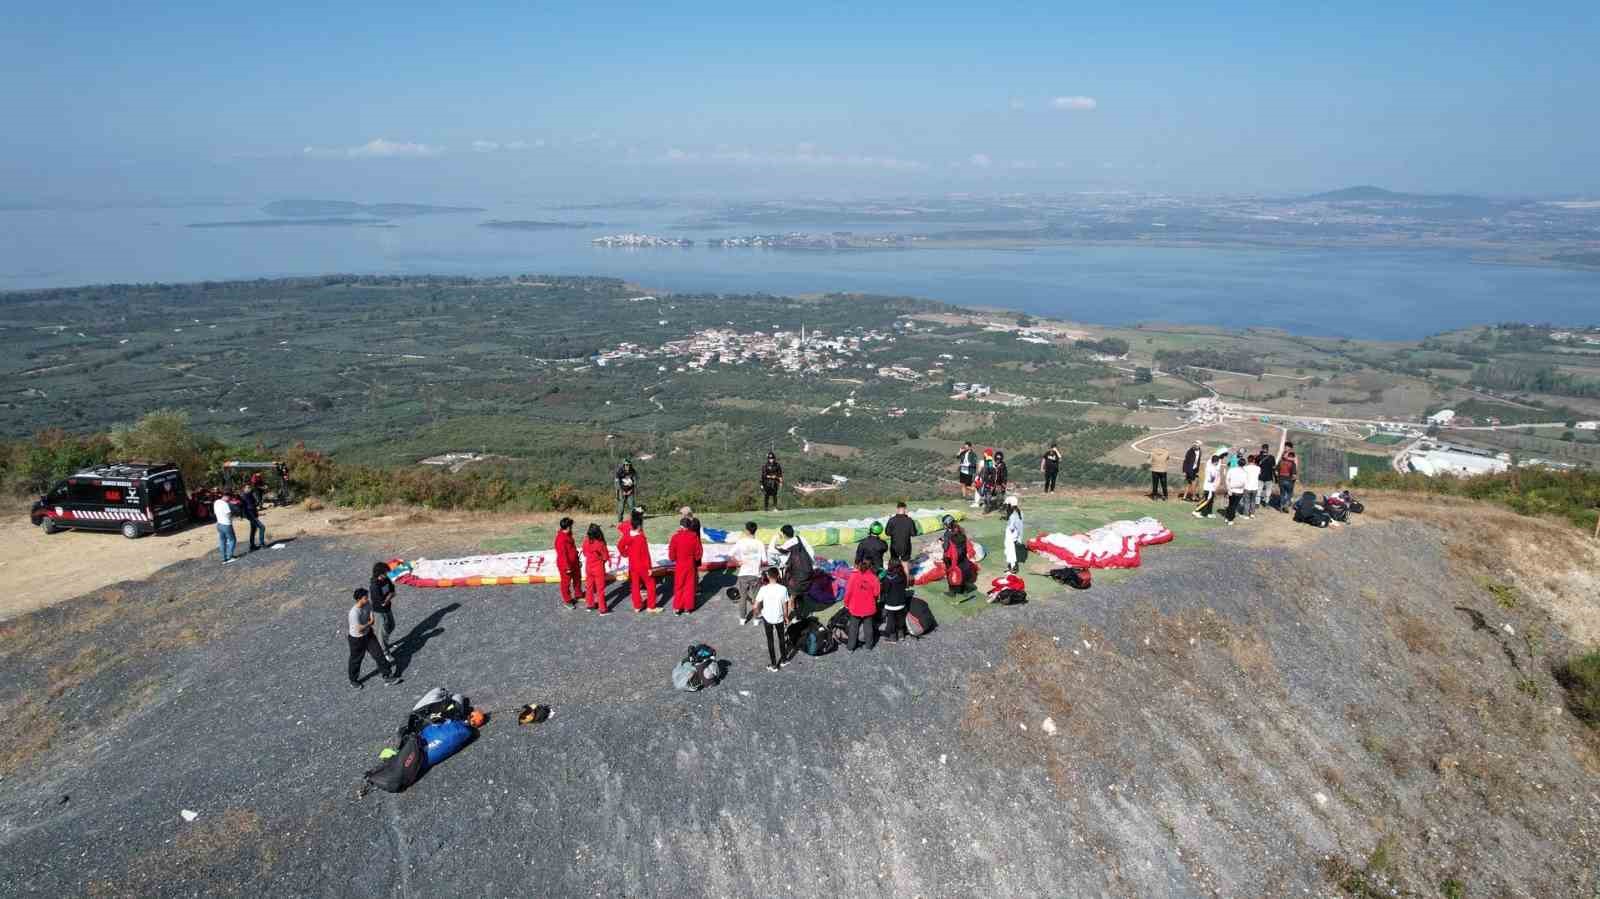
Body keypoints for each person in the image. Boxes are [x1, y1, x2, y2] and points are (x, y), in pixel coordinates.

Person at [347, 588, 400, 688]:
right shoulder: (354, 613)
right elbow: (359, 629)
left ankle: (387, 676)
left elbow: (371, 616)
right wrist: (369, 623)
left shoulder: (367, 604)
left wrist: (369, 623)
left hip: (369, 635)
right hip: (357, 639)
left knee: (379, 654)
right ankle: (353, 680)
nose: (367, 599)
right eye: (365, 598)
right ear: (359, 599)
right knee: (356, 660)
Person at [617, 513, 659, 612]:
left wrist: (625, 553)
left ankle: (637, 606)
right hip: (642, 565)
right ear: (640, 526)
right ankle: (651, 606)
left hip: (632, 565)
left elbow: (619, 545)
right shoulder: (641, 538)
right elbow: (646, 555)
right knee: (651, 584)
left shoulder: (628, 535)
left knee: (635, 585)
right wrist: (649, 568)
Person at [754, 566, 792, 672]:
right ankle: (784, 660)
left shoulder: (763, 589)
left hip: (767, 618)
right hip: (779, 618)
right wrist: (786, 617)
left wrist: (757, 614)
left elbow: (755, 605)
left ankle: (774, 665)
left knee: (770, 640)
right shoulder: (783, 589)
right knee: (781, 638)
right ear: (778, 576)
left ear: (767, 576)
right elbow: (785, 606)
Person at [842, 559, 880, 651]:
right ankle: (869, 646)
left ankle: (851, 647)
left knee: (853, 627)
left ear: (859, 565)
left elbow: (848, 592)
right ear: (870, 566)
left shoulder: (853, 576)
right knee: (868, 627)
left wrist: (846, 603)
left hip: (855, 607)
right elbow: (876, 593)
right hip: (869, 607)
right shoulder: (874, 578)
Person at [667, 516, 702, 615]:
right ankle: (688, 607)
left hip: (679, 565)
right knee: (689, 586)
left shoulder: (675, 537)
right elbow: (699, 552)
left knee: (679, 586)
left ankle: (677, 607)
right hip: (690, 564)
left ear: (680, 526)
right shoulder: (694, 536)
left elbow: (671, 554)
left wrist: (674, 558)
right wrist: (695, 558)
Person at [733, 521, 766, 624]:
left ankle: (742, 619)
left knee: (742, 597)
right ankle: (756, 619)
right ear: (755, 530)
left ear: (746, 530)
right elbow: (764, 560)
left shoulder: (740, 542)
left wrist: (737, 561)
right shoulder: (759, 543)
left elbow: (730, 553)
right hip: (755, 574)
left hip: (743, 573)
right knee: (756, 597)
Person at [369, 561, 397, 662]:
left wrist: (390, 595)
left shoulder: (386, 580)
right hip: (379, 612)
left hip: (387, 609)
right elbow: (383, 603)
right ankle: (385, 652)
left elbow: (393, 589)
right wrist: (390, 595)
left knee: (391, 626)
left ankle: (383, 642)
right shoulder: (374, 587)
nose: (387, 575)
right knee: (382, 633)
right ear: (379, 573)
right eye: (385, 573)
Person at [779, 526, 816, 606]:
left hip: (798, 576)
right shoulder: (800, 538)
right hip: (809, 570)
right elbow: (811, 552)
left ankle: (792, 610)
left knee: (792, 594)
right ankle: (800, 604)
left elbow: (783, 563)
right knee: (800, 592)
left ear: (784, 534)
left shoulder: (785, 546)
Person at [942, 515, 976, 593]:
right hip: (962, 555)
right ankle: (963, 588)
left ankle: (952, 591)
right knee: (962, 571)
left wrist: (942, 543)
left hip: (952, 558)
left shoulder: (947, 534)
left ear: (947, 524)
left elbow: (945, 547)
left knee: (951, 573)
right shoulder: (960, 530)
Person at [581, 524, 611, 614]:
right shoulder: (600, 543)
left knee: (589, 587)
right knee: (600, 589)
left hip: (588, 567)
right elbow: (606, 557)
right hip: (598, 568)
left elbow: (585, 553)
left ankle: (590, 605)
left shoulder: (586, 541)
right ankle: (602, 609)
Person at [553, 517, 582, 607]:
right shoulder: (560, 540)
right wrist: (567, 567)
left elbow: (572, 549)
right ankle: (567, 600)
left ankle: (578, 594)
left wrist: (577, 560)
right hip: (566, 565)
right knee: (566, 583)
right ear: (568, 527)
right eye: (571, 526)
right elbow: (562, 555)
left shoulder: (569, 534)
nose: (572, 528)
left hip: (574, 562)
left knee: (577, 579)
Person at [880, 561, 910, 644]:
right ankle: (901, 635)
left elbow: (885, 590)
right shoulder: (903, 575)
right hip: (901, 602)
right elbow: (904, 586)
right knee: (900, 618)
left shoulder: (887, 578)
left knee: (891, 620)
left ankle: (892, 637)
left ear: (890, 566)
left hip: (891, 604)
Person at [1192, 452, 1222, 518]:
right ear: (1216, 462)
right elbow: (1212, 479)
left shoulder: (1209, 464)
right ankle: (1196, 511)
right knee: (1206, 501)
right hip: (1209, 488)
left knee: (1211, 501)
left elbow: (1211, 459)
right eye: (1218, 461)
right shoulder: (1213, 469)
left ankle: (1209, 513)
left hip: (1209, 487)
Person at [1002, 495, 1025, 574]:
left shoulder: (1013, 515)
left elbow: (1014, 526)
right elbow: (1020, 525)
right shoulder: (1019, 512)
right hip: (1014, 535)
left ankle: (1013, 568)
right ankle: (1011, 566)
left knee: (1010, 551)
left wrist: (1018, 537)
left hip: (1011, 535)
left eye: (1007, 505)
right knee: (1010, 551)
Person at [213, 489, 237, 564]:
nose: (230, 499)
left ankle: (224, 557)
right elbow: (228, 515)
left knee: (222, 541)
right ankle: (230, 556)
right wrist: (234, 518)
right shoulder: (225, 504)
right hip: (226, 524)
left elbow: (215, 512)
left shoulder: (216, 502)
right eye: (229, 498)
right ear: (226, 496)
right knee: (232, 540)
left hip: (219, 524)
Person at [240, 486, 268, 551]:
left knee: (253, 530)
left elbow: (254, 505)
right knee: (262, 527)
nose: (250, 488)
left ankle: (252, 546)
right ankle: (262, 544)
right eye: (248, 487)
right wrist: (245, 516)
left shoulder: (250, 494)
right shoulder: (243, 497)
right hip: (251, 515)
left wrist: (257, 513)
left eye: (249, 487)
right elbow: (243, 508)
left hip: (254, 514)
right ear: (244, 489)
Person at [1223, 454, 1247, 524]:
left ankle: (1227, 517)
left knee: (1230, 504)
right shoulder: (1244, 473)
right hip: (1239, 491)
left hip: (1231, 490)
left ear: (1238, 463)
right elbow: (1244, 483)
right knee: (1234, 506)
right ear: (1244, 464)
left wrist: (1228, 488)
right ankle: (1230, 519)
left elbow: (1227, 479)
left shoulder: (1232, 470)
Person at [1275, 444, 1298, 514]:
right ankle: (1285, 506)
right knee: (1288, 493)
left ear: (1290, 448)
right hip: (1288, 478)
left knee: (1284, 493)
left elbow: (1295, 463)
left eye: (1287, 447)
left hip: (1285, 477)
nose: (1285, 448)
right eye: (1285, 447)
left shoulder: (1292, 455)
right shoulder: (1285, 456)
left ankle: (1283, 506)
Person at [1255, 443, 1277, 510]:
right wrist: (1275, 478)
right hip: (1268, 477)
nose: (1264, 449)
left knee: (1259, 491)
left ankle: (1257, 504)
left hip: (1261, 477)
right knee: (1267, 492)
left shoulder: (1258, 457)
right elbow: (1274, 468)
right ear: (1268, 449)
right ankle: (1266, 504)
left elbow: (1256, 466)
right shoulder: (1271, 457)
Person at [1242, 454, 1262, 519]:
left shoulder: (1245, 468)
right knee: (1253, 501)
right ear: (1254, 460)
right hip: (1255, 487)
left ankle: (1246, 514)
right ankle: (1252, 514)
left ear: (1248, 460)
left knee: (1246, 501)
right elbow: (1259, 474)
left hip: (1247, 486)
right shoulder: (1258, 468)